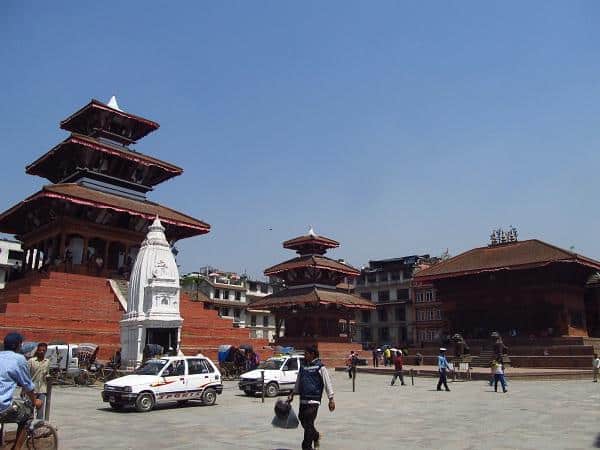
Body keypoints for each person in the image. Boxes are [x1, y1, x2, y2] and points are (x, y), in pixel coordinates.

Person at [0, 333, 43, 450]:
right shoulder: (19, 359)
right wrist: (35, 401)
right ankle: (17, 448)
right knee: (27, 414)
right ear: (18, 345)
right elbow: (28, 385)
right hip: (2, 406)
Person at [288, 345, 335, 450]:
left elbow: (327, 383)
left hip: (314, 399)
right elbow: (298, 381)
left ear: (312, 354)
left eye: (306, 354)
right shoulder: (303, 367)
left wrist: (331, 399)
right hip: (303, 399)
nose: (305, 356)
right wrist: (292, 394)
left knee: (309, 422)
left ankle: (306, 446)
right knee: (302, 419)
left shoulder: (320, 367)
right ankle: (316, 435)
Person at [27, 342, 50, 420]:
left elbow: (47, 373)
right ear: (37, 351)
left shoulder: (47, 362)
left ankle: (38, 429)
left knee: (40, 412)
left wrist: (48, 377)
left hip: (42, 390)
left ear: (46, 351)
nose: (42, 352)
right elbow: (26, 375)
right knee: (29, 411)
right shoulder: (31, 361)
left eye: (43, 350)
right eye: (40, 350)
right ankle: (28, 429)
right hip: (31, 390)